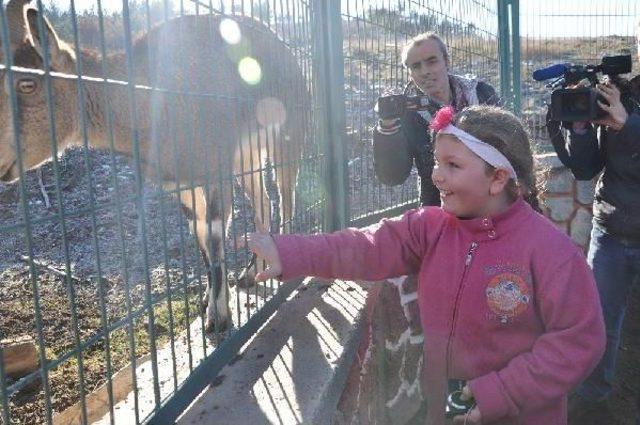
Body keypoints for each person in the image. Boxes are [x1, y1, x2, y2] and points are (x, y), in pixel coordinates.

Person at [250, 105, 606, 425]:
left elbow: (578, 341)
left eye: (452, 165)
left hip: (520, 412)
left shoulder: (550, 251)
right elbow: (366, 247)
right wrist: (290, 252)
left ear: (498, 178)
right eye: (437, 161)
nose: (436, 175)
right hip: (448, 407)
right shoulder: (430, 227)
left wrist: (501, 392)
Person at [546, 38, 640, 425]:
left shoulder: (626, 110)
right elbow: (586, 169)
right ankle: (592, 399)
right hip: (613, 230)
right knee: (598, 321)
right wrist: (581, 128)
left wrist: (628, 125)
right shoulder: (621, 94)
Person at [373, 32, 500, 206]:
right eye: (416, 66)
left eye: (432, 61)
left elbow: (509, 146)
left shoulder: (481, 93)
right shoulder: (405, 114)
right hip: (440, 209)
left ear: (447, 61)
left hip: (491, 199)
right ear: (410, 73)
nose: (425, 71)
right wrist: (387, 126)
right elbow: (393, 176)